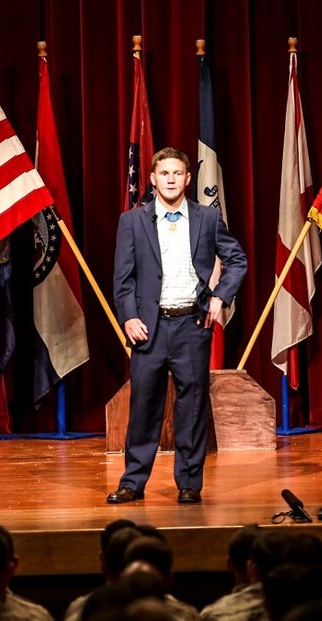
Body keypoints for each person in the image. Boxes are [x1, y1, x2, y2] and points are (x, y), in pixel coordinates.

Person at [108, 146, 247, 504]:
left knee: (193, 405)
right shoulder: (132, 221)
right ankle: (132, 482)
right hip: (149, 329)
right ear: (153, 179)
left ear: (187, 179)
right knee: (144, 407)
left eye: (177, 174)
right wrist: (129, 316)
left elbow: (237, 260)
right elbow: (123, 278)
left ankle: (189, 482)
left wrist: (219, 297)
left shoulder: (207, 219)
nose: (170, 180)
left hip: (191, 325)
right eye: (164, 174)